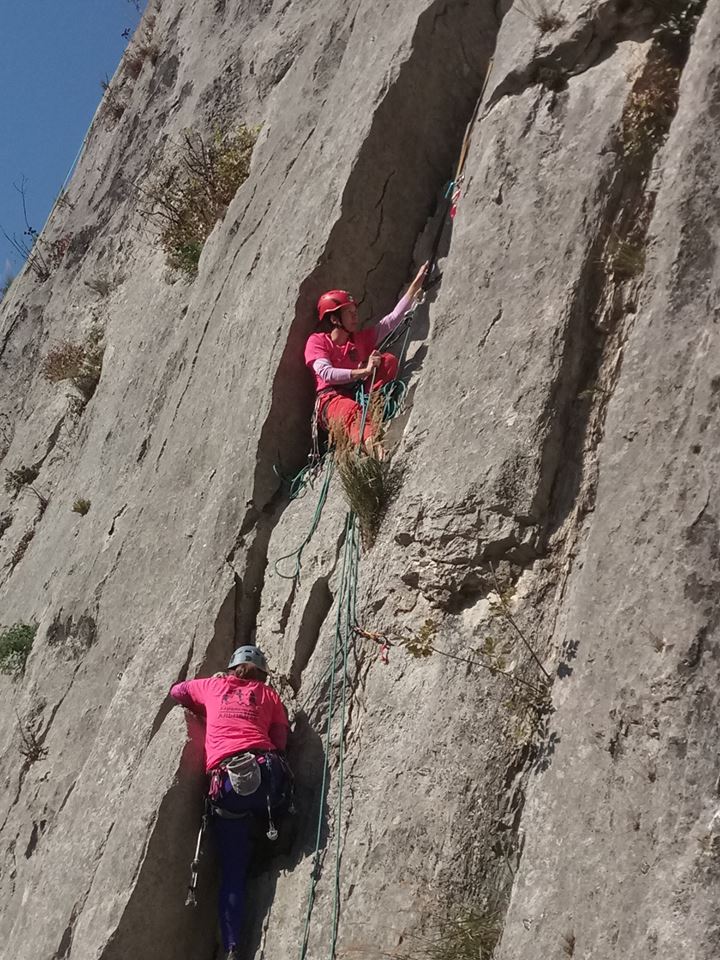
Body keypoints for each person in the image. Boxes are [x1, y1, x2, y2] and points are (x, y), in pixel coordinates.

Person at [170, 645, 291, 960]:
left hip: (227, 785)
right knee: (275, 808)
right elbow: (280, 738)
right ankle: (275, 834)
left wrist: (214, 686)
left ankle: (233, 947)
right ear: (262, 673)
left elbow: (176, 692)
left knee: (233, 872)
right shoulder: (269, 695)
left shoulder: (213, 686)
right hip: (265, 775)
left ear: (232, 666)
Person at [305, 263, 428, 454]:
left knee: (387, 361)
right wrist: (364, 371)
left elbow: (391, 321)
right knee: (351, 410)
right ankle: (375, 449)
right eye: (349, 313)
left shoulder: (359, 340)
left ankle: (370, 416)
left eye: (355, 312)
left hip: (355, 394)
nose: (355, 316)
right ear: (334, 319)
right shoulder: (317, 341)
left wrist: (414, 286)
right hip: (330, 400)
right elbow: (326, 373)